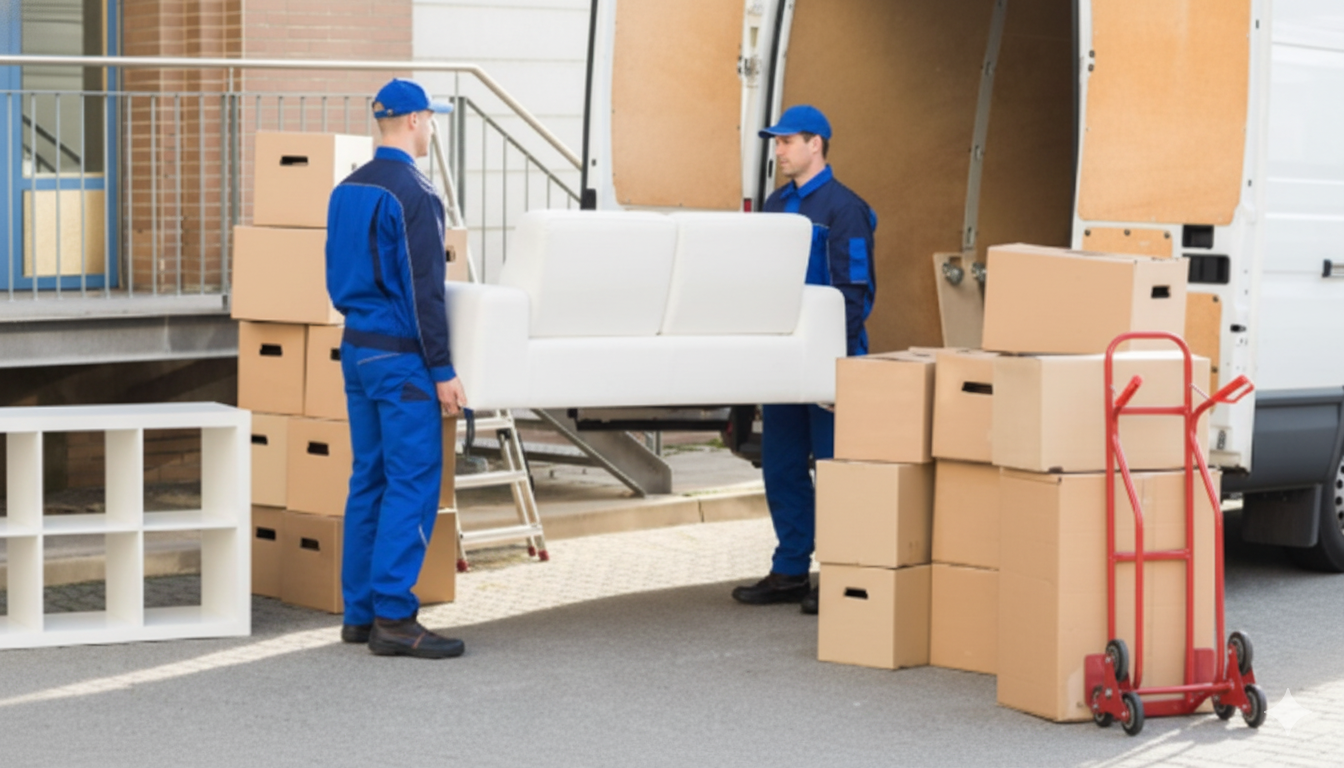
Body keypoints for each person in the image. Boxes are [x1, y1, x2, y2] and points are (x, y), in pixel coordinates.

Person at [325, 78, 469, 658]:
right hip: (401, 358)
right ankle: (394, 616)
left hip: (357, 349)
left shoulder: (346, 189)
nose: (431, 128)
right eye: (430, 119)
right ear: (413, 120)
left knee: (370, 478)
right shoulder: (415, 193)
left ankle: (360, 615)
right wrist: (442, 369)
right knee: (412, 481)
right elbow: (424, 290)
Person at [731, 105, 877, 615]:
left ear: (816, 144)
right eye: (776, 143)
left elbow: (854, 293)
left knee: (835, 472)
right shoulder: (775, 205)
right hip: (783, 361)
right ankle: (791, 570)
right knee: (782, 466)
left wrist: (839, 371)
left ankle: (837, 574)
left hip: (828, 362)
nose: (779, 151)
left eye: (787, 141)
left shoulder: (845, 209)